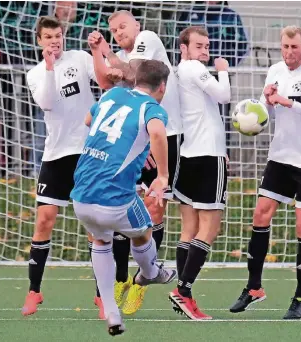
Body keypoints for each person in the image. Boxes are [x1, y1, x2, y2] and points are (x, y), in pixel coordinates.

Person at [229, 26, 301, 320]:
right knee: (260, 213)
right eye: (285, 47)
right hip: (280, 156)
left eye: (294, 47)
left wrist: (290, 102)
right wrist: (264, 102)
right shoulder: (274, 70)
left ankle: (300, 298)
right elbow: (267, 113)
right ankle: (253, 287)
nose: (289, 52)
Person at [70, 60, 177, 336]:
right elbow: (156, 132)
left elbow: (88, 121)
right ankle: (151, 273)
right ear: (161, 86)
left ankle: (112, 314)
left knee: (102, 240)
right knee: (144, 233)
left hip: (81, 196)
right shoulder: (152, 108)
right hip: (115, 200)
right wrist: (162, 176)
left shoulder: (112, 94)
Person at [87, 10, 182, 315]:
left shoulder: (147, 39)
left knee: (153, 206)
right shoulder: (123, 57)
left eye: (122, 26)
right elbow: (106, 82)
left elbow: (135, 73)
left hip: (165, 133)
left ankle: (142, 280)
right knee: (120, 205)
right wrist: (98, 53)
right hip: (132, 139)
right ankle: (119, 279)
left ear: (137, 25)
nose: (119, 32)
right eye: (113, 30)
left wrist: (108, 55)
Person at [21, 16, 105, 319]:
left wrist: (98, 51)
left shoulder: (80, 59)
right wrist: (49, 66)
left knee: (95, 224)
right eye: (48, 37)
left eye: (58, 35)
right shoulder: (35, 73)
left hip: (88, 151)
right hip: (55, 155)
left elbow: (104, 80)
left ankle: (102, 295)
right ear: (40, 41)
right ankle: (34, 290)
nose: (55, 40)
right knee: (44, 220)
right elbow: (46, 103)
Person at [168, 26, 230, 320]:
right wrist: (223, 69)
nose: (204, 51)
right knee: (209, 227)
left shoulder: (179, 72)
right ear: (184, 48)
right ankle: (183, 290)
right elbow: (224, 95)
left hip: (188, 153)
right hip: (207, 156)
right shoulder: (195, 68)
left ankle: (184, 294)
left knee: (188, 229)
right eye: (198, 46)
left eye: (207, 46)